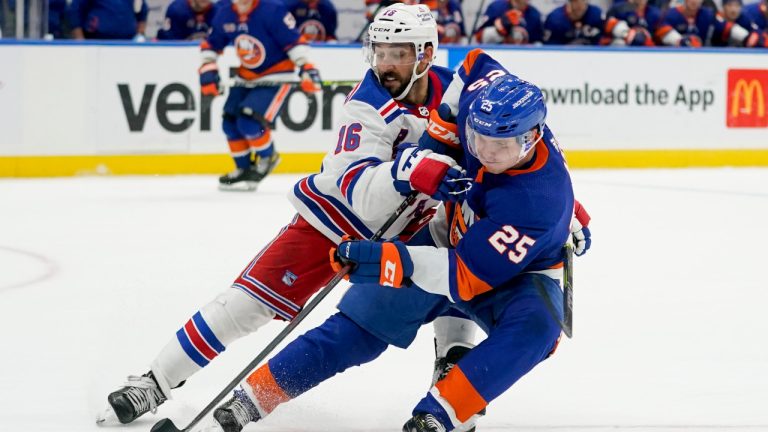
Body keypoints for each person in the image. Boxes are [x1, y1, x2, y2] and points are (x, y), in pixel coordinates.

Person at [97, 4, 486, 426]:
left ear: (425, 54)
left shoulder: (452, 92)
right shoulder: (367, 104)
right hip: (334, 223)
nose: (385, 64)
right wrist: (409, 170)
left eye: (398, 54)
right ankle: (154, 381)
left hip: (407, 232)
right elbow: (363, 197)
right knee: (244, 306)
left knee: (463, 251)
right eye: (380, 52)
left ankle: (452, 357)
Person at [208, 49, 588, 432]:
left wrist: (388, 260)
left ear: (531, 137)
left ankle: (440, 414)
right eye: (478, 138)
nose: (486, 153)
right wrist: (439, 137)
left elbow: (462, 277)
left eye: (500, 146)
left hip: (514, 275)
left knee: (536, 330)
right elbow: (475, 62)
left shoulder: (534, 204)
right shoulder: (484, 104)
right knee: (355, 331)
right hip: (451, 235)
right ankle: (253, 398)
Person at [199, 0, 323, 191]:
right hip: (245, 77)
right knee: (229, 122)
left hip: (277, 76)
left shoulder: (272, 11)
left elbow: (294, 42)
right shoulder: (225, 13)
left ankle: (268, 157)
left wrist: (306, 67)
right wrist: (208, 69)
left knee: (249, 122)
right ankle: (243, 169)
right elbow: (212, 44)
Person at [67, 0, 148, 40]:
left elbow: (142, 10)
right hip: (96, 42)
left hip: (127, 42)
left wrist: (139, 35)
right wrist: (79, 39)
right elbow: (75, 10)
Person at [473, 0, 544, 45]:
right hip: (496, 55)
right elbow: (479, 38)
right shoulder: (496, 8)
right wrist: (499, 30)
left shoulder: (535, 15)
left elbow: (540, 44)